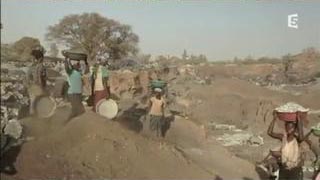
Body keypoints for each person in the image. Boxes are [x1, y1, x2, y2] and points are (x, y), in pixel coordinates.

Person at [259, 110, 305, 180]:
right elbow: (270, 132)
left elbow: (301, 137)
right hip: (284, 169)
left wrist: (299, 120)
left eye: (291, 127)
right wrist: (274, 118)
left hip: (294, 170)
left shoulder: (297, 139)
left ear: (295, 129)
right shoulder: (283, 137)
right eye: (287, 127)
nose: (289, 129)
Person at [27, 46, 47, 115]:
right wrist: (42, 88)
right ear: (40, 58)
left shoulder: (31, 67)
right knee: (40, 104)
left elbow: (27, 78)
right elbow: (39, 77)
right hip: (38, 87)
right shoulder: (41, 66)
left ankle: (32, 118)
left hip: (32, 87)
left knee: (32, 104)